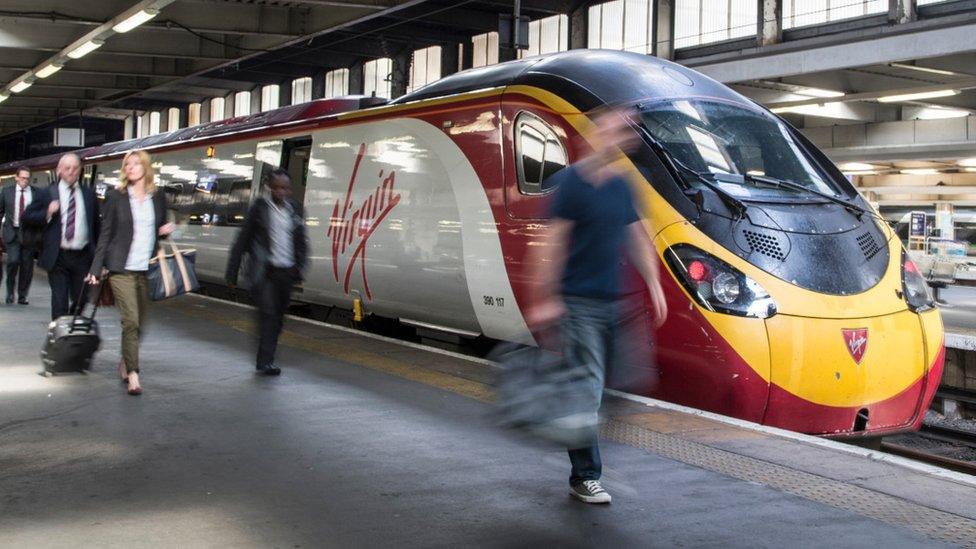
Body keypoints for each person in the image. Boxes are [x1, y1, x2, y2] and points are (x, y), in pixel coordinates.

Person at [527, 107, 668, 505]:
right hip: (578, 303)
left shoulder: (622, 186)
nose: (620, 137)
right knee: (589, 389)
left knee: (612, 388)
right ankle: (585, 476)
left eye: (626, 133)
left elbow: (637, 236)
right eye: (613, 129)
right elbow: (553, 244)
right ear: (595, 135)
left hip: (614, 305)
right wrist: (546, 298)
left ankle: (567, 425)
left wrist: (655, 283)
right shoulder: (572, 182)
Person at [86, 150, 173, 396]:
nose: (131, 167)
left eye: (136, 163)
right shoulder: (116, 196)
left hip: (145, 268)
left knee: (141, 323)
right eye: (127, 164)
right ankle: (133, 374)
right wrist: (96, 267)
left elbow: (159, 228)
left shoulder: (158, 196)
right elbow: (105, 234)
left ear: (146, 167)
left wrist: (165, 230)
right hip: (120, 267)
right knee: (131, 321)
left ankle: (126, 359)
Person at [225, 168, 308, 376]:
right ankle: (265, 362)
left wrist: (300, 268)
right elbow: (242, 240)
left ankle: (267, 356)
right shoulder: (259, 209)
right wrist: (232, 272)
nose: (282, 192)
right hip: (264, 273)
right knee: (269, 315)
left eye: (286, 188)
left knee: (278, 318)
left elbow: (301, 241)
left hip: (286, 273)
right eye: (278, 188)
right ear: (270, 188)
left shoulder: (295, 209)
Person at [23, 153, 99, 320]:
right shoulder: (47, 193)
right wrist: (47, 212)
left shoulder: (88, 195)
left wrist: (99, 258)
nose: (71, 171)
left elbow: (96, 227)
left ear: (80, 170)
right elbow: (27, 217)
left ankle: (69, 323)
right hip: (58, 256)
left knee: (83, 298)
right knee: (60, 299)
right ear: (59, 170)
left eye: (75, 168)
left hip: (82, 256)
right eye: (67, 168)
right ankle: (59, 335)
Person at [0, 166, 39, 305]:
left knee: (27, 266)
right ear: (16, 177)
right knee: (13, 261)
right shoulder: (6, 192)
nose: (25, 181)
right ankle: (10, 292)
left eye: (27, 178)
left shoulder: (36, 193)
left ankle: (22, 295)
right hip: (12, 232)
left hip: (29, 234)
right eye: (22, 178)